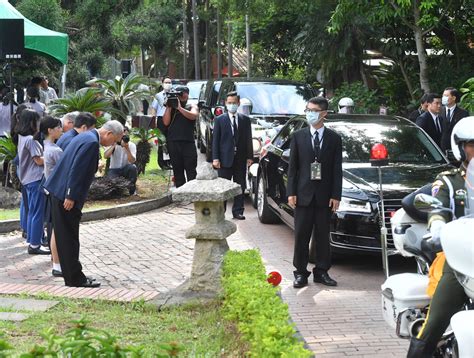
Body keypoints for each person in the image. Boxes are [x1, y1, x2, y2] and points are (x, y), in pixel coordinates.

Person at [407, 116, 474, 357]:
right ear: (460, 147)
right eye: (472, 145)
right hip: (459, 262)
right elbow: (437, 211)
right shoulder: (448, 181)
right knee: (435, 321)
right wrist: (437, 230)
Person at [43, 119, 124, 288]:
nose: (113, 144)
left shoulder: (84, 136)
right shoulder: (91, 142)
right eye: (115, 140)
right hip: (65, 194)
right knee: (69, 238)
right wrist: (71, 195)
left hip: (58, 190)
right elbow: (77, 170)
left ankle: (72, 275)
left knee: (65, 236)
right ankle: (75, 278)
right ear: (108, 134)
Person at [287, 96, 342, 288]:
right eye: (308, 109)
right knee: (301, 235)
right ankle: (300, 273)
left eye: (314, 110)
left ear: (324, 114)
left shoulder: (334, 139)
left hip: (324, 197)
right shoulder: (298, 136)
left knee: (322, 236)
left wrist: (336, 195)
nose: (310, 113)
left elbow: (337, 169)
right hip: (303, 195)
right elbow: (292, 168)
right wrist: (291, 192)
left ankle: (321, 271)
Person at [212, 91, 253, 220]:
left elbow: (248, 139)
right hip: (224, 159)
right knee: (223, 186)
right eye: (229, 103)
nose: (232, 105)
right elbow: (215, 140)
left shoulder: (245, 120)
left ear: (238, 103)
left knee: (240, 185)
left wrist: (250, 156)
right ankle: (221, 211)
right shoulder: (220, 120)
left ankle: (238, 211)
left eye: (234, 103)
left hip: (240, 159)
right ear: (225, 103)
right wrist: (215, 158)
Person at [17, 109, 50, 255]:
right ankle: (35, 244)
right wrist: (52, 157)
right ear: (32, 122)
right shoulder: (31, 139)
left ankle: (32, 241)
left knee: (32, 212)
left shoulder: (21, 137)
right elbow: (38, 160)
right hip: (36, 178)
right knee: (37, 213)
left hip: (27, 179)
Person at [40, 116, 64, 277]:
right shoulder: (55, 150)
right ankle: (57, 263)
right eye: (58, 127)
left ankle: (55, 260)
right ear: (50, 130)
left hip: (49, 190)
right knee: (56, 228)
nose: (61, 130)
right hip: (56, 191)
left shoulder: (45, 146)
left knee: (51, 226)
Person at [162, 85, 199, 188]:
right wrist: (169, 107)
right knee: (177, 170)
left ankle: (192, 193)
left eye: (182, 93)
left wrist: (179, 108)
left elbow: (193, 115)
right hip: (173, 142)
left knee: (191, 170)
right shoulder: (171, 107)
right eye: (178, 93)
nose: (180, 96)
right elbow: (165, 122)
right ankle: (181, 193)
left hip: (188, 143)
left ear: (187, 95)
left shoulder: (191, 106)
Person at [104, 126, 138, 195]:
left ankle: (132, 190)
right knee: (112, 191)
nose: (123, 138)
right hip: (114, 170)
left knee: (133, 168)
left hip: (126, 169)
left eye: (125, 136)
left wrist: (127, 148)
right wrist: (114, 145)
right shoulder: (112, 143)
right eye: (122, 136)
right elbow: (105, 156)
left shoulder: (131, 145)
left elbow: (132, 161)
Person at [151, 77, 173, 170]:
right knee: (162, 142)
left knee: (171, 141)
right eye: (166, 82)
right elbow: (153, 109)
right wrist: (154, 120)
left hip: (172, 119)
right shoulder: (158, 96)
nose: (168, 84)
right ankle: (162, 163)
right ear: (162, 84)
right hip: (160, 119)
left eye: (169, 82)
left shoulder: (173, 95)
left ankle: (170, 162)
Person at [440, 87, 469, 153]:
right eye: (443, 96)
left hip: (456, 148)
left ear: (454, 98)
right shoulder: (439, 111)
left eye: (446, 96)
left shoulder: (463, 113)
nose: (444, 98)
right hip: (440, 149)